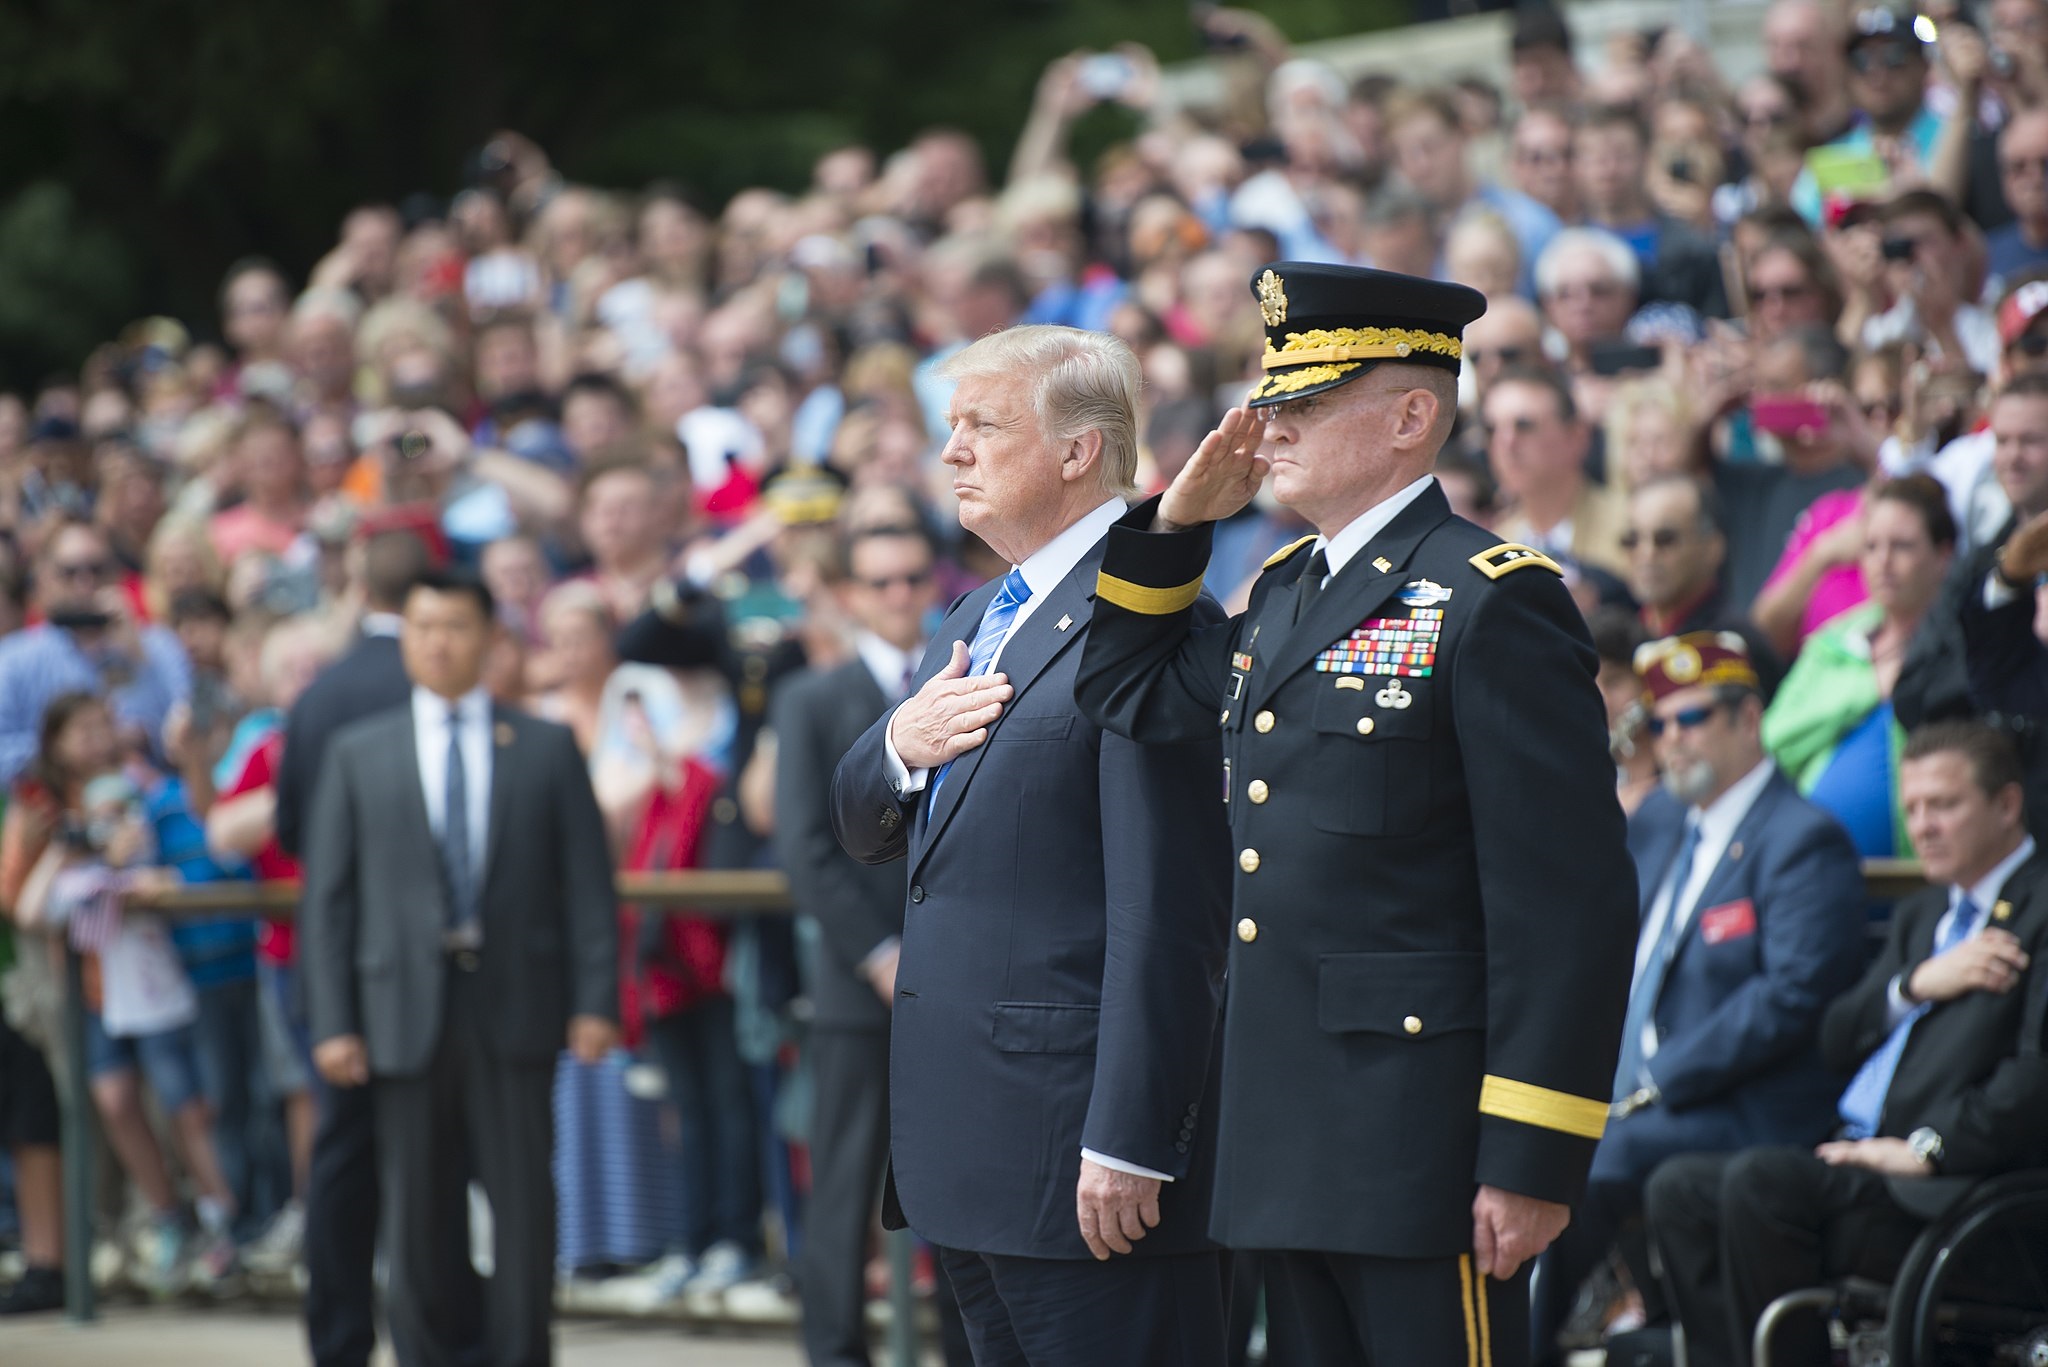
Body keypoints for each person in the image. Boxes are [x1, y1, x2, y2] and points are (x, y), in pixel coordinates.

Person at [1073, 262, 1639, 1366]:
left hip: (1422, 1141)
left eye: (1304, 401)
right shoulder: (1284, 587)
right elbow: (1128, 692)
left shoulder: (1490, 594)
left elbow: (1564, 901)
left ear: (1410, 415)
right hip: (1284, 1125)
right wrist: (1178, 519)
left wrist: (1530, 1151)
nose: (1266, 426)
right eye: (1269, 397)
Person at [830, 325, 1234, 1365]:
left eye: (982, 424)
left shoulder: (1152, 617)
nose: (952, 450)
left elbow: (1169, 905)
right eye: (948, 426)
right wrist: (895, 744)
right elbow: (862, 825)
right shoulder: (976, 609)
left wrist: (1133, 1134)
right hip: (969, 1151)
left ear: (1075, 452)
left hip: (1083, 1158)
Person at [1643, 721, 2048, 1367]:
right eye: (1911, 807)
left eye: (1944, 804)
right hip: (1862, 1157)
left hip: (1953, 1184)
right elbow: (1836, 1037)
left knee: (1759, 1183)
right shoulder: (1924, 914)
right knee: (1679, 1188)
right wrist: (1914, 983)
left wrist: (1927, 1150)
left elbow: (2035, 1079)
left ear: (2006, 803)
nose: (1923, 825)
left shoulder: (2040, 908)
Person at [302, 569, 619, 1367]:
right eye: (423, 626)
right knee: (415, 1208)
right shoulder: (357, 753)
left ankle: (519, 1352)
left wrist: (594, 1001)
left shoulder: (542, 746)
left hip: (514, 1003)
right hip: (399, 1011)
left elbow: (587, 886)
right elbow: (328, 902)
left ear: (489, 639)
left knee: (522, 1202)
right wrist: (334, 1019)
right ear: (404, 636)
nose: (438, 641)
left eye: (455, 626)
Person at [1531, 633, 1867, 1363]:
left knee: (1565, 1165)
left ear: (1749, 718)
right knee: (1514, 1137)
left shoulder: (1802, 838)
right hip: (1629, 1093)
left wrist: (1665, 1077)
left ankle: (1514, 1348)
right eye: (1660, 722)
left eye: (1695, 718)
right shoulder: (1658, 822)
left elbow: (1793, 992)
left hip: (1735, 1105)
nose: (1673, 739)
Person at [772, 522, 970, 1367]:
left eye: (911, 577)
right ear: (849, 594)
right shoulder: (812, 698)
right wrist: (880, 953)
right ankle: (834, 1353)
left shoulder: (965, 677)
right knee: (844, 1183)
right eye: (879, 581)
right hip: (862, 987)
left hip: (960, 983)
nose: (899, 594)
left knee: (966, 1180)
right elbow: (805, 849)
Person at [269, 528, 449, 1367]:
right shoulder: (447, 680)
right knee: (451, 1160)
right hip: (447, 965)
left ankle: (339, 1340)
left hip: (347, 963)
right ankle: (448, 1336)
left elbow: (296, 832)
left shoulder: (320, 695)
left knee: (343, 1163)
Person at [1763, 476, 1959, 857]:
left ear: (1943, 555)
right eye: (1871, 546)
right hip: (1813, 867)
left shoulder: (1965, 645)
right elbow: (1773, 742)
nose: (1883, 561)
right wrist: (1869, 690)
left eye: (1901, 546)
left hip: (1922, 879)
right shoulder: (1831, 642)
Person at [0, 518, 191, 785]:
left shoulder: (159, 645)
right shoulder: (14, 660)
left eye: (96, 569)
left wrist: (138, 657)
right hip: (56, 810)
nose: (85, 582)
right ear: (45, 578)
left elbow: (188, 737)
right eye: (69, 572)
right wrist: (66, 748)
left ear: (115, 574)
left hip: (154, 805)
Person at [1483, 365, 1629, 577]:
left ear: (1576, 437)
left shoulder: (1630, 528)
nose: (1505, 443)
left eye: (1524, 426)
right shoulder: (1494, 542)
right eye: (1491, 429)